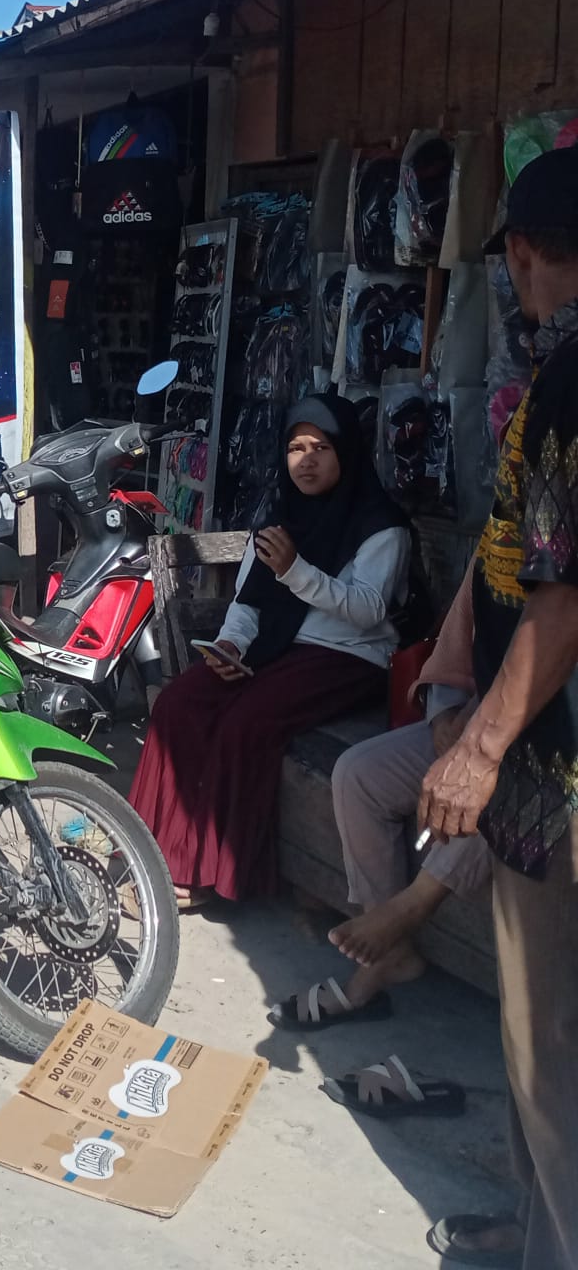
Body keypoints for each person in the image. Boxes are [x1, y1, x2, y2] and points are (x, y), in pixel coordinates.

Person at [419, 145, 578, 1270]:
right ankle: (530, 1231)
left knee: (546, 1039)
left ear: (521, 255)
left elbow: (563, 602)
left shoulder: (568, 379)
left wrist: (479, 745)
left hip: (558, 775)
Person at [129, 393, 411, 904]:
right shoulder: (281, 517)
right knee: (179, 703)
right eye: (296, 448)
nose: (307, 460)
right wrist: (231, 644)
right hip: (276, 646)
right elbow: (249, 599)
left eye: (321, 447)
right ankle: (149, 851)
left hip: (348, 657)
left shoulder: (380, 525)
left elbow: (370, 608)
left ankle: (211, 874)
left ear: (345, 451)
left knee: (247, 723)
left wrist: (295, 572)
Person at [272, 560, 491, 1028]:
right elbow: (455, 641)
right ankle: (391, 952)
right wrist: (443, 716)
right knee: (359, 773)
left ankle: (408, 909)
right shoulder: (502, 539)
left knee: (504, 791)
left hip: (538, 747)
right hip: (471, 717)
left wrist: (483, 748)